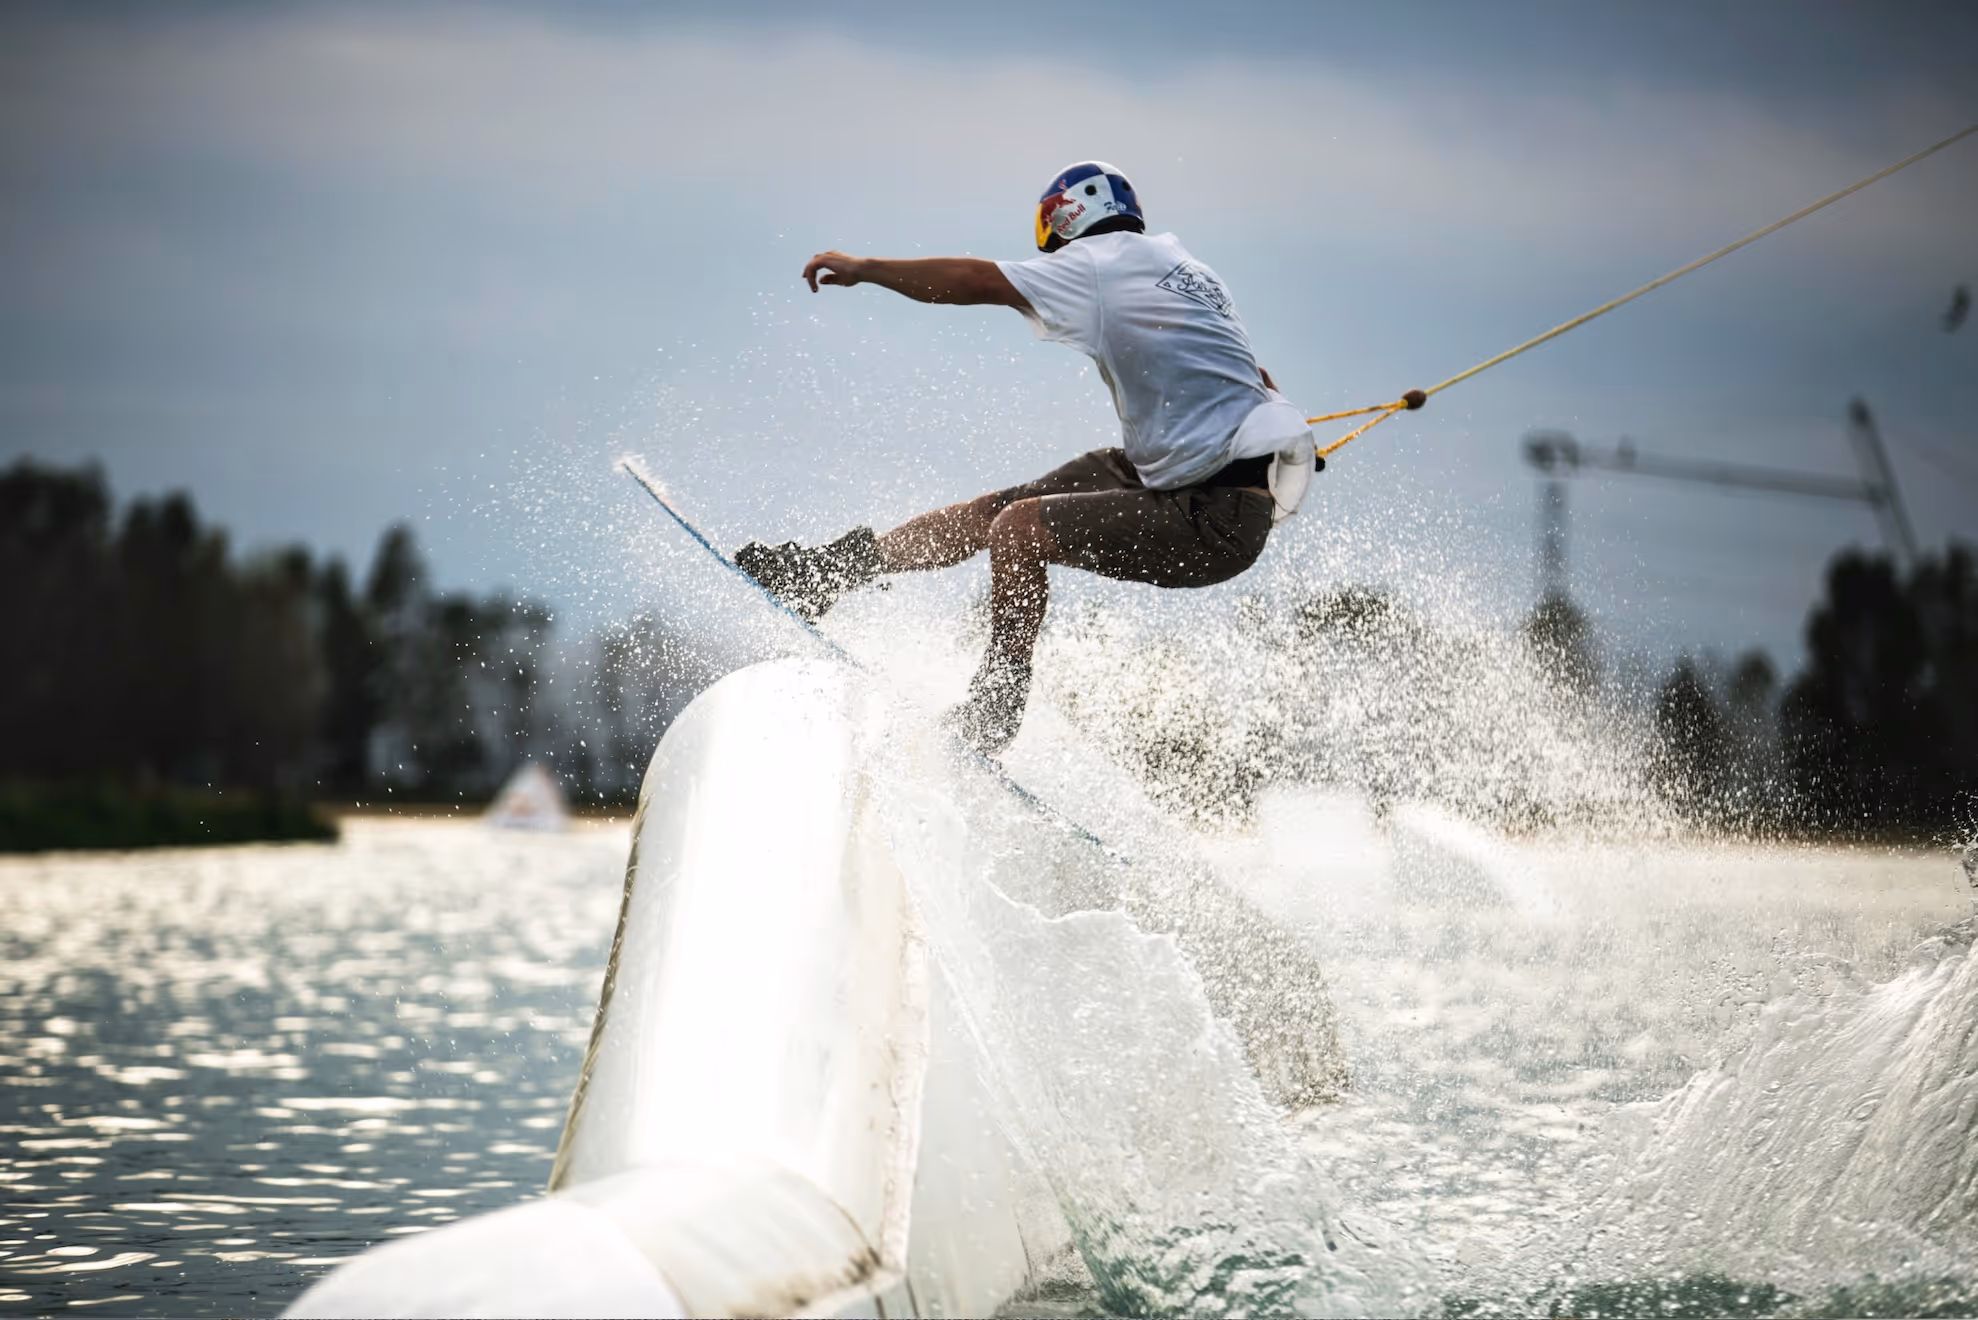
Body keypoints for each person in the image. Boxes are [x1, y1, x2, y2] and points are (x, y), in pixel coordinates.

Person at [736, 160, 1319, 755]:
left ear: (1062, 221)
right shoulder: (1182, 266)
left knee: (1020, 529)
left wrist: (869, 269)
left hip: (1213, 518)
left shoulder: (1096, 265)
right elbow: (1252, 376)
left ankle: (997, 706)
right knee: (1001, 510)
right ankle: (831, 573)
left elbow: (974, 279)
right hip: (1179, 476)